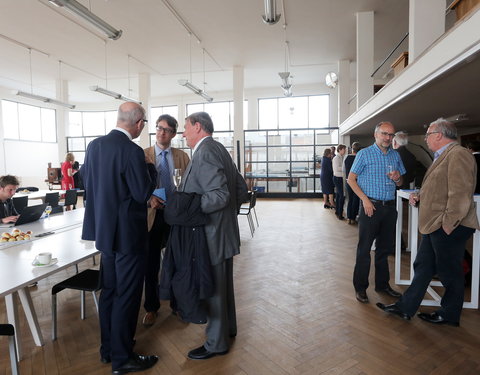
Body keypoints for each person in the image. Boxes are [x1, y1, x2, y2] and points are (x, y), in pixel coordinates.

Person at [80, 102, 159, 374]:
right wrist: (151, 169)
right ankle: (123, 358)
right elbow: (142, 194)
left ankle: (108, 350)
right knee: (127, 295)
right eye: (145, 123)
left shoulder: (94, 146)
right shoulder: (133, 151)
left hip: (105, 234)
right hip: (128, 236)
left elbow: (86, 181)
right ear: (138, 123)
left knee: (110, 292)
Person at [377, 118, 479, 326]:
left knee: (450, 272)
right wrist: (420, 194)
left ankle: (450, 315)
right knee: (423, 266)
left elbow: (460, 193)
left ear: (439, 135)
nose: (426, 139)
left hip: (449, 225)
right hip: (437, 224)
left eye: (429, 135)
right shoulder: (443, 156)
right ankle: (405, 307)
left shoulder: (458, 154)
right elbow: (440, 186)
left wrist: (448, 224)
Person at [180, 112, 248, 360]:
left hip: (211, 233)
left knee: (214, 289)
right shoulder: (219, 148)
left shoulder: (205, 152)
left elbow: (219, 195)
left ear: (197, 127)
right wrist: (227, 217)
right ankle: (227, 330)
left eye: (185, 128)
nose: (183, 134)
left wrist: (189, 207)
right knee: (223, 285)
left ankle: (216, 343)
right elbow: (240, 189)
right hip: (224, 231)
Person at [347, 121, 406, 304]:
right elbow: (351, 179)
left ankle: (382, 285)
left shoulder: (395, 155)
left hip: (389, 208)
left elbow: (401, 182)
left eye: (391, 135)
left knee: (384, 250)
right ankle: (360, 288)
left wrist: (398, 179)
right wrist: (365, 200)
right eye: (384, 134)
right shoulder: (364, 154)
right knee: (364, 250)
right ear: (376, 135)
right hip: (370, 207)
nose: (388, 138)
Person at [142, 114, 190, 327]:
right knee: (150, 265)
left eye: (167, 130)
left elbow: (189, 186)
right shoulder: (143, 155)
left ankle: (177, 305)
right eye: (159, 128)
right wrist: (148, 200)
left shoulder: (182, 157)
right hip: (151, 217)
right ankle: (151, 308)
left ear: (173, 134)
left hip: (175, 215)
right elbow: (136, 188)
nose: (162, 132)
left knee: (178, 262)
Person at [343, 142, 361, 225]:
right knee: (356, 199)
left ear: (352, 148)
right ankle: (353, 218)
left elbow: (344, 170)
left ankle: (349, 217)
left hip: (348, 181)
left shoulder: (347, 158)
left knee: (350, 199)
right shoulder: (359, 158)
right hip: (357, 181)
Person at [332, 144, 347, 220]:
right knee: (341, 196)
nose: (345, 151)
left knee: (338, 196)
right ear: (340, 149)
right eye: (344, 149)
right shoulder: (336, 158)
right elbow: (336, 168)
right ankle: (340, 214)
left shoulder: (341, 157)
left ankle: (338, 211)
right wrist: (345, 167)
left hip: (340, 178)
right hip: (338, 178)